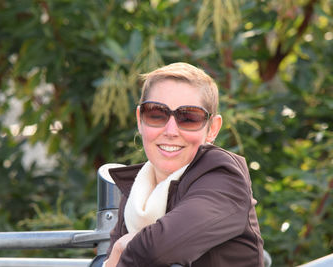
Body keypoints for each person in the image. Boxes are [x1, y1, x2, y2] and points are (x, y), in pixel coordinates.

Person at [104, 62, 264, 267]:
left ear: (212, 128)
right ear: (139, 120)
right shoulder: (138, 194)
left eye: (189, 118)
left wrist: (121, 248)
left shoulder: (224, 179)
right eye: (156, 114)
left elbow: (158, 249)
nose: (171, 131)